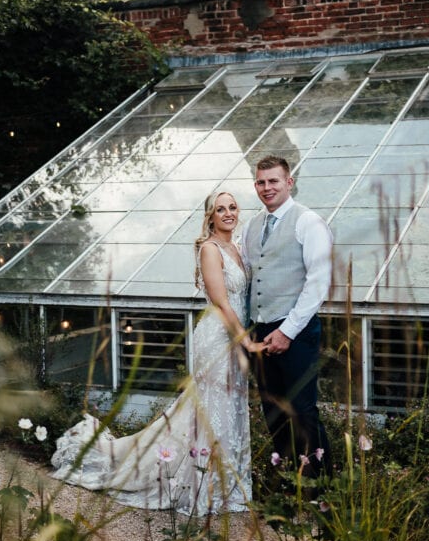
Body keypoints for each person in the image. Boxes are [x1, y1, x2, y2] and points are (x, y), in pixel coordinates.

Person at [49, 191, 260, 515]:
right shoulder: (209, 249)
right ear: (210, 217)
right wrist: (245, 341)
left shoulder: (237, 248)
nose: (229, 213)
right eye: (221, 209)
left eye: (232, 207)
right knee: (212, 411)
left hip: (235, 339)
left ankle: (230, 486)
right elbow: (220, 302)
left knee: (231, 409)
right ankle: (206, 488)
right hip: (218, 339)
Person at [242, 155, 333, 479]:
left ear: (289, 182)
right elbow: (249, 279)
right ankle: (287, 483)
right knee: (273, 412)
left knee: (303, 411)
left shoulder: (308, 221)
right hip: (259, 332)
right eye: (261, 182)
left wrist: (287, 331)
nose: (267, 188)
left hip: (296, 331)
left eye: (273, 181)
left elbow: (318, 282)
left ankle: (320, 489)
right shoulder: (251, 226)